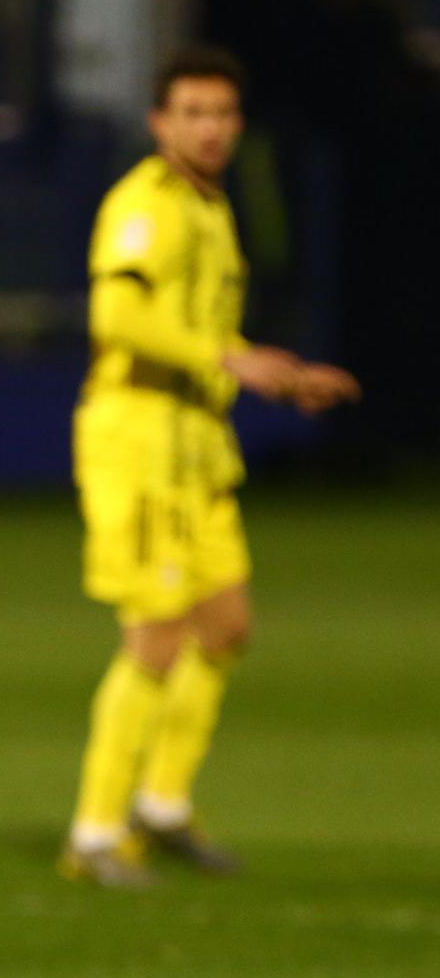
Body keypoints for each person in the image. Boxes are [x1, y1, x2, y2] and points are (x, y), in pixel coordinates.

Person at [63, 49, 360, 888]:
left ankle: (161, 804)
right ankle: (93, 831)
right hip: (139, 443)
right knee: (156, 637)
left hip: (198, 446)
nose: (212, 127)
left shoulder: (210, 206)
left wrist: (281, 375)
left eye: (224, 113)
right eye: (194, 111)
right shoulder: (143, 205)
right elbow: (119, 315)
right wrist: (231, 360)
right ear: (160, 122)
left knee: (225, 628)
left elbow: (200, 332)